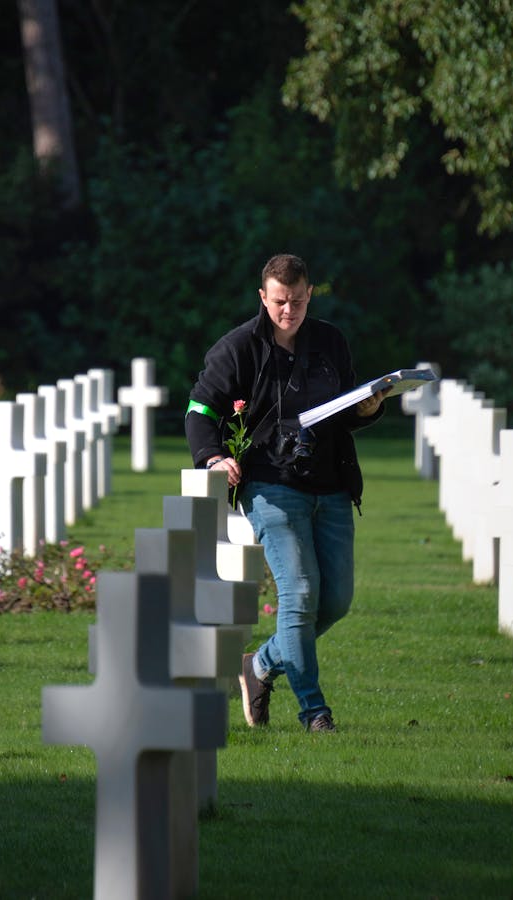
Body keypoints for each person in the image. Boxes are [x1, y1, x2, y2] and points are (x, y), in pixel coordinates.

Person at [185, 253, 386, 732]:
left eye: (297, 301)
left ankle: (257, 666)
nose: (288, 311)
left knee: (335, 601)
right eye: (279, 302)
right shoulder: (237, 348)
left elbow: (346, 412)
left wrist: (368, 408)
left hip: (332, 487)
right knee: (298, 593)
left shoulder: (331, 342)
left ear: (309, 293)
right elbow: (198, 410)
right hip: (270, 487)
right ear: (263, 296)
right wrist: (214, 457)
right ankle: (315, 712)